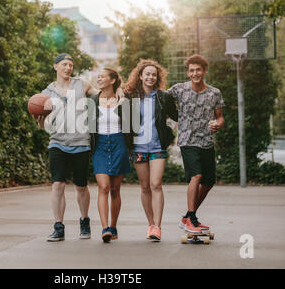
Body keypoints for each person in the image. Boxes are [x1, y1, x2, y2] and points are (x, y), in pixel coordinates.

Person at [34, 53, 123, 242]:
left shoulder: (82, 85)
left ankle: (84, 220)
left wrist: (120, 91)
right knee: (57, 184)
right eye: (64, 64)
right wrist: (40, 121)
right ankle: (58, 226)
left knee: (81, 186)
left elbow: (103, 94)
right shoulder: (46, 93)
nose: (68, 68)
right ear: (55, 66)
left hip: (81, 143)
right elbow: (43, 126)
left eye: (70, 65)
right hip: (57, 142)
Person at [166, 54, 225, 234]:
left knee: (208, 182)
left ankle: (187, 217)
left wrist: (217, 124)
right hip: (187, 140)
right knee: (196, 176)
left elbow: (220, 117)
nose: (195, 73)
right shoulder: (179, 89)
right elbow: (160, 97)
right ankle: (191, 218)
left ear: (204, 71)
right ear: (188, 72)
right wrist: (173, 118)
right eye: (191, 70)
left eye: (198, 70)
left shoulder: (214, 92)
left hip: (206, 141)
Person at [125, 59, 178, 241]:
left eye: (153, 74)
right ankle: (150, 224)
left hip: (157, 146)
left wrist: (171, 133)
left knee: (156, 184)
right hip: (138, 147)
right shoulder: (131, 97)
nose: (150, 77)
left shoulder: (163, 97)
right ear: (140, 76)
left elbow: (177, 116)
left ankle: (158, 226)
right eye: (147, 74)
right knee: (145, 186)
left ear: (157, 77)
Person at [89, 68, 133, 243]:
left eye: (102, 76)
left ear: (112, 80)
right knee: (104, 187)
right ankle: (105, 227)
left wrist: (123, 101)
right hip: (99, 145)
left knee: (115, 189)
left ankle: (113, 226)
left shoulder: (124, 100)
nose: (99, 79)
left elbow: (132, 124)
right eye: (97, 77)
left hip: (119, 143)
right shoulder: (92, 100)